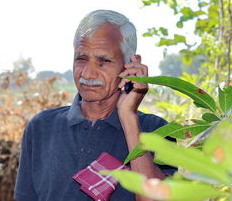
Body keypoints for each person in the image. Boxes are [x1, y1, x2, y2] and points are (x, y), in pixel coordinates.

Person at [14, 10, 175, 201]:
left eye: (103, 61)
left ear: (130, 65)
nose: (88, 74)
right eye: (81, 59)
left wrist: (128, 118)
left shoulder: (158, 131)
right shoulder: (42, 127)